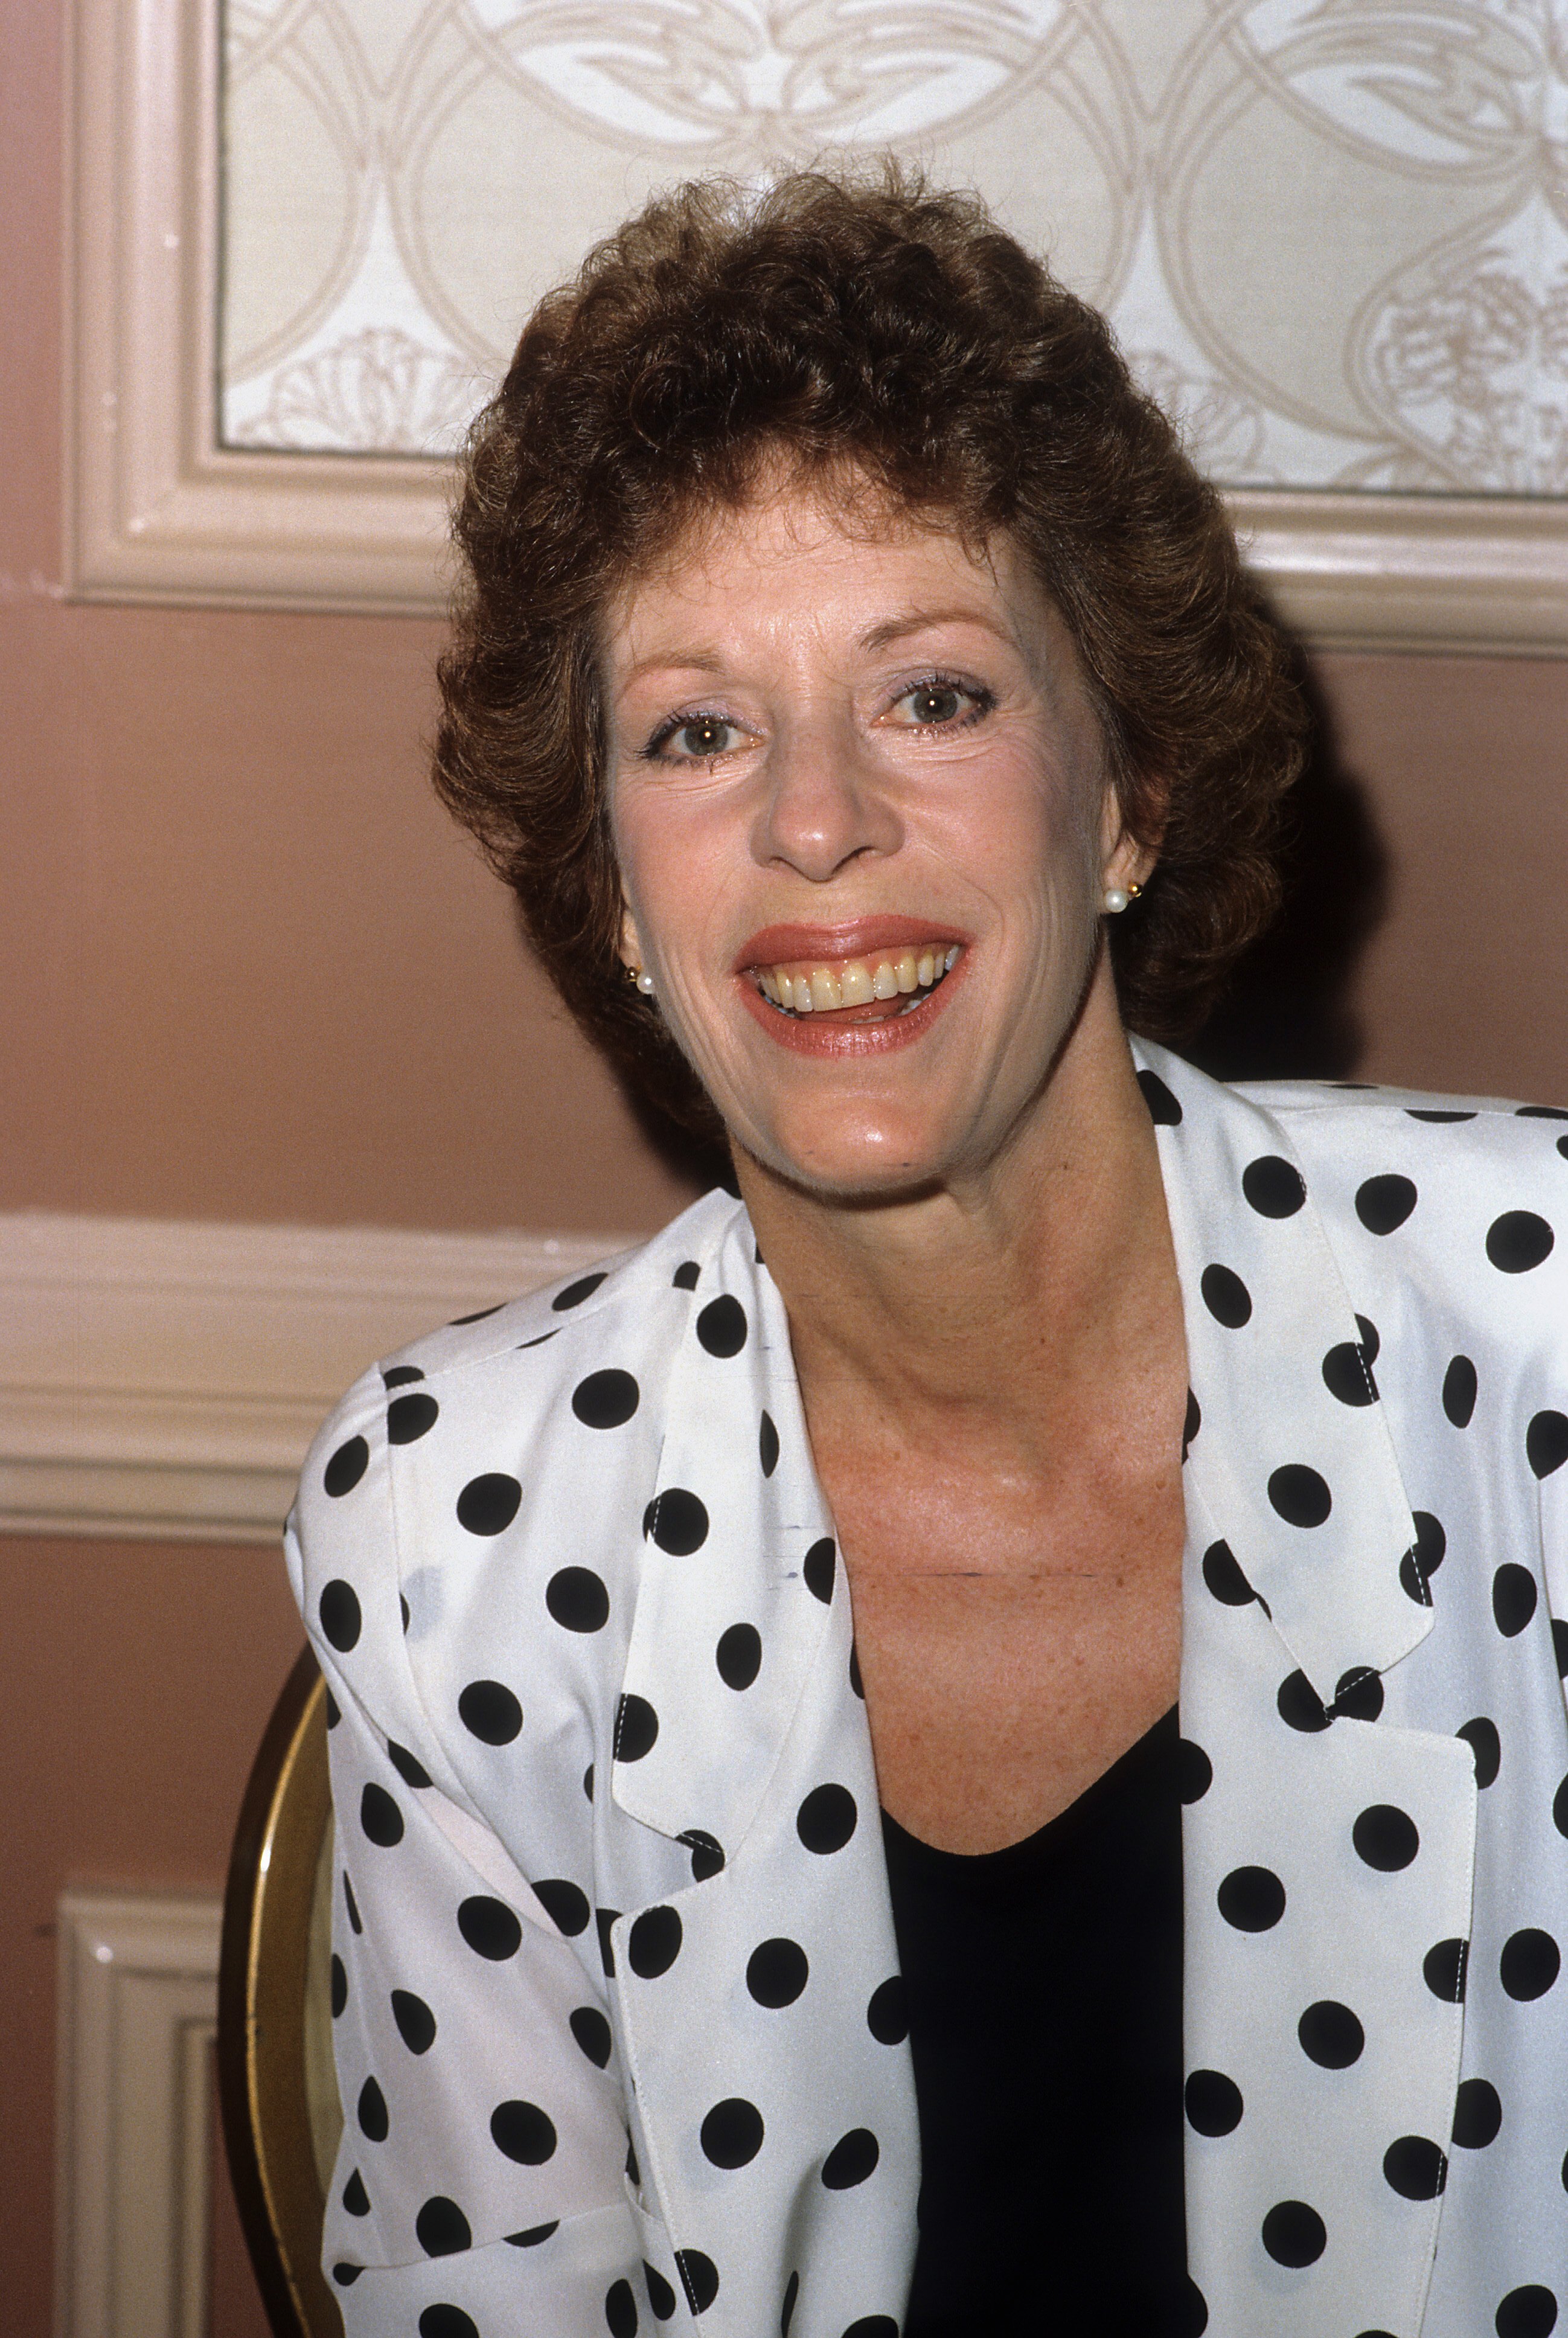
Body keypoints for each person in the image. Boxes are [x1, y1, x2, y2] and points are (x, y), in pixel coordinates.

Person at [287, 170, 1568, 2338]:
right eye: (697, 729)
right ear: (612, 882)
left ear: (1129, 794)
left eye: (935, 697)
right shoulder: (453, 1530)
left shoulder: (1540, 1335)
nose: (813, 820)